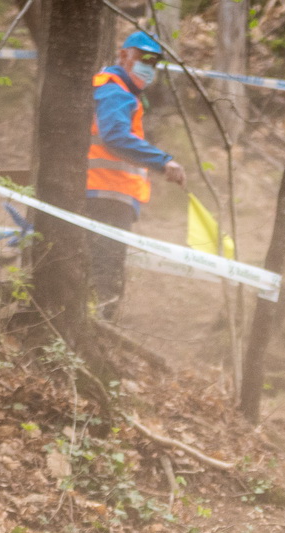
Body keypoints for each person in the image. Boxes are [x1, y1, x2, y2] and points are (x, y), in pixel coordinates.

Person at [85, 29, 187, 319]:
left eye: (154, 62)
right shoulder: (115, 89)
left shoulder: (120, 91)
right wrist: (163, 162)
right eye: (143, 58)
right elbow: (115, 137)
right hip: (104, 193)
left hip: (109, 194)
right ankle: (100, 326)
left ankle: (98, 325)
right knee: (105, 270)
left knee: (104, 268)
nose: (148, 66)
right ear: (123, 56)